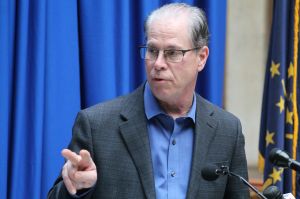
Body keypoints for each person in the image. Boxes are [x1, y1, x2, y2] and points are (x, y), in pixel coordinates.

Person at [48, 3, 250, 199]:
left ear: (201, 57)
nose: (158, 64)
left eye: (172, 53)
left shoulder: (227, 130)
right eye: (152, 51)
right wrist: (79, 188)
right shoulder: (96, 125)